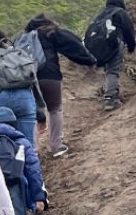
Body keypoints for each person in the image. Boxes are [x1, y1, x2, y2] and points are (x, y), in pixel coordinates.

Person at [20, 15, 95, 159]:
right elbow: (72, 45)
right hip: (50, 75)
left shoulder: (22, 39)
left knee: (32, 114)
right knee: (55, 109)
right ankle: (56, 146)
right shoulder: (50, 31)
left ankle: (32, 152)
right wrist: (89, 60)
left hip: (28, 79)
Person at [0, 29, 42, 139]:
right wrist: (40, 112)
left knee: (4, 141)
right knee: (27, 142)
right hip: (25, 98)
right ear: (4, 40)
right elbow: (33, 81)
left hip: (2, 98)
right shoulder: (18, 54)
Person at [85, 0, 136, 112]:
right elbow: (128, 31)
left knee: (108, 70)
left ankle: (111, 91)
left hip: (98, 48)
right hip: (114, 43)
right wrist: (131, 47)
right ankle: (110, 99)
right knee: (113, 70)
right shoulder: (120, 12)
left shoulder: (101, 14)